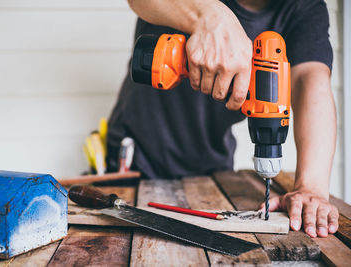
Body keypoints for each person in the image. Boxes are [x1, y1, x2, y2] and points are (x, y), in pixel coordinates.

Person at [107, 0, 339, 238]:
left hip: (213, 166)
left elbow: (311, 82)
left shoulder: (304, 7)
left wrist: (310, 187)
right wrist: (208, 16)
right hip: (134, 159)